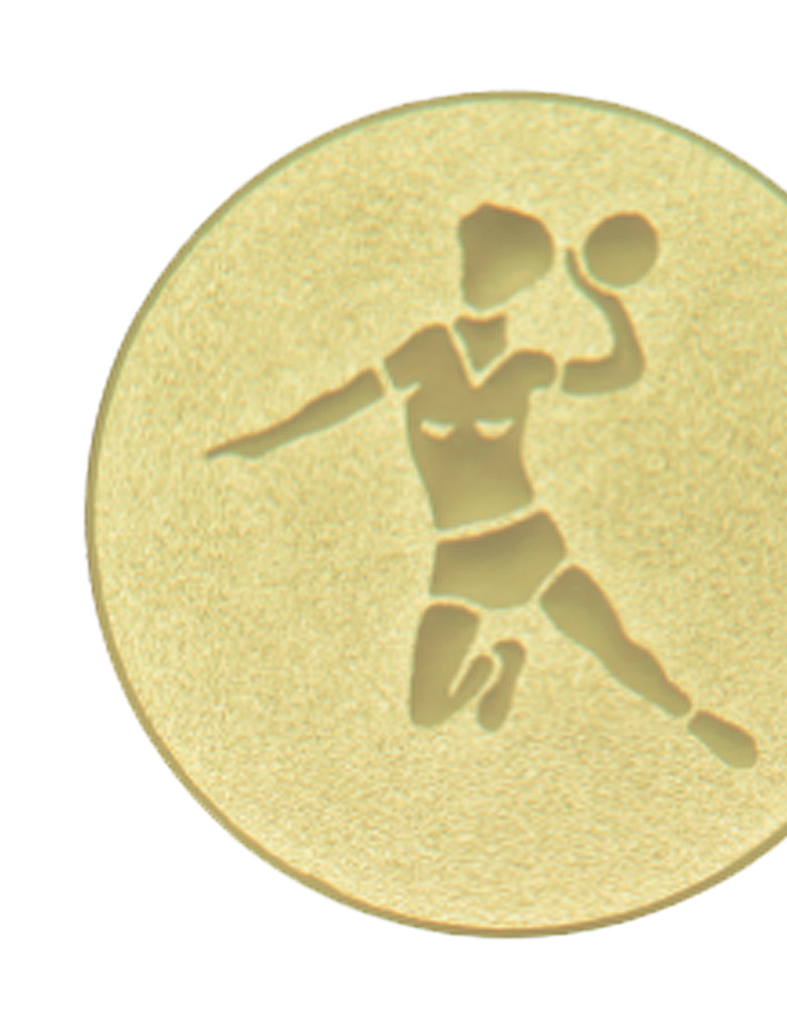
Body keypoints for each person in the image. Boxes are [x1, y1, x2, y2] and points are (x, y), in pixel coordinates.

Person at [209, 204, 757, 769]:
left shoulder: (525, 367)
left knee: (615, 649)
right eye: (481, 260)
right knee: (426, 711)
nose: (483, 277)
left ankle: (696, 722)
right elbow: (345, 400)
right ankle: (499, 667)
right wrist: (266, 441)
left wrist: (602, 296)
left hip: (531, 545)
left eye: (499, 266)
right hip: (460, 562)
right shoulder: (427, 351)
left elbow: (623, 371)